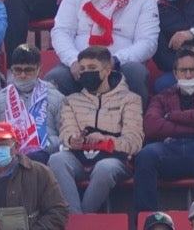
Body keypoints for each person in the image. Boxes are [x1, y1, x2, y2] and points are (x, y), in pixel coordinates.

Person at [47, 0, 156, 99]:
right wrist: (73, 61)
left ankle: (134, 123)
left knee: (136, 73)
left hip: (120, 66)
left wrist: (115, 61)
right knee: (54, 80)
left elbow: (148, 42)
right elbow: (61, 31)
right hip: (79, 63)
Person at [134, 46, 194, 212]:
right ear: (175, 73)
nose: (188, 75)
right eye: (183, 70)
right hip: (169, 147)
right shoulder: (162, 97)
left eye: (193, 70)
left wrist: (173, 116)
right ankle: (146, 223)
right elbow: (151, 126)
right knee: (146, 155)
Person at [49, 45, 142, 214]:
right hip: (79, 156)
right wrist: (72, 140)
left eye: (92, 68)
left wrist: (105, 140)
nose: (86, 73)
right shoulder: (71, 100)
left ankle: (79, 221)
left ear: (107, 70)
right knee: (57, 160)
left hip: (114, 158)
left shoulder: (130, 100)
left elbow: (134, 142)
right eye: (82, 69)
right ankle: (76, 218)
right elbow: (66, 131)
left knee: (104, 168)